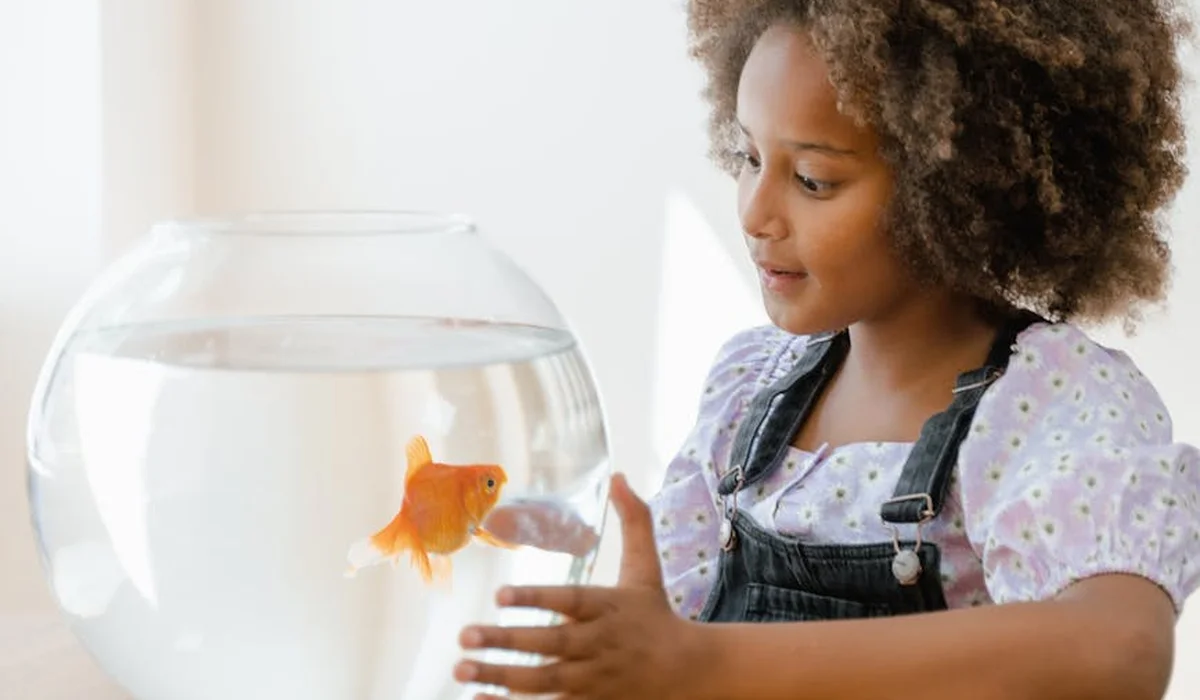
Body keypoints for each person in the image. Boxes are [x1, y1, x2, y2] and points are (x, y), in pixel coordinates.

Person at [453, 1, 1200, 698]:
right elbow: (669, 645)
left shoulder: (1048, 404)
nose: (754, 212)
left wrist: (704, 661)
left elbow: (1119, 650)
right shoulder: (751, 389)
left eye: (812, 179)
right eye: (747, 157)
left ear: (959, 188)